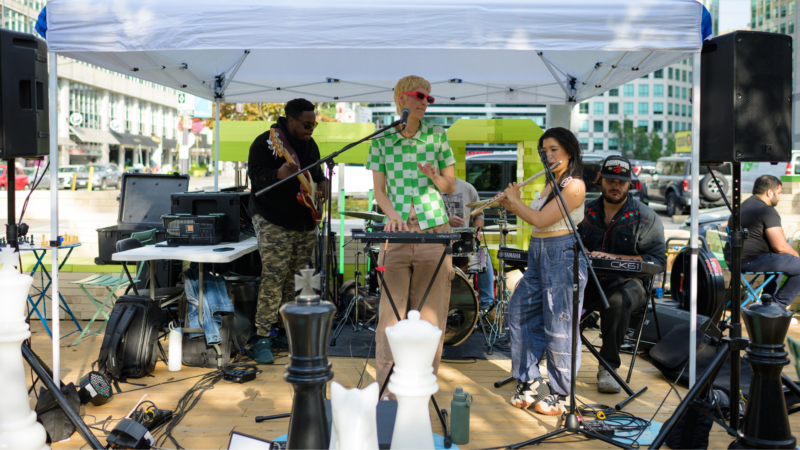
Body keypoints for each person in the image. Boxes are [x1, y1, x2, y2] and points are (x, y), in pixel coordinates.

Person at [366, 75, 457, 397]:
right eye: (420, 95)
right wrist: (392, 216)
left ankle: (422, 392)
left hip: (435, 230)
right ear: (401, 98)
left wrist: (436, 177)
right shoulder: (382, 139)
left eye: (429, 98)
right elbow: (379, 190)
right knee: (391, 319)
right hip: (398, 233)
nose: (425, 102)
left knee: (431, 320)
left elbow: (450, 186)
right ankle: (387, 394)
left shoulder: (437, 135)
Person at [498, 127, 586, 416]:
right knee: (519, 311)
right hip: (538, 253)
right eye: (544, 151)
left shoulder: (574, 186)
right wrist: (511, 204)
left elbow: (538, 218)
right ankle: (529, 379)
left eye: (554, 150)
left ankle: (561, 393)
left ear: (569, 151)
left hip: (562, 255)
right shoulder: (549, 184)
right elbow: (535, 222)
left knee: (559, 325)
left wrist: (516, 201)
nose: (547, 156)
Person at [247, 98, 328, 364]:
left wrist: (323, 183)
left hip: (304, 220)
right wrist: (278, 173)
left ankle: (283, 330)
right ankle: (261, 336)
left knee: (299, 278)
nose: (311, 129)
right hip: (272, 217)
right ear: (290, 120)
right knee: (274, 275)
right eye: (306, 124)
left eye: (314, 124)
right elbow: (256, 175)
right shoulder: (266, 143)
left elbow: (317, 173)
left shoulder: (310, 145)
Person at [578, 155, 666, 394]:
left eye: (621, 181)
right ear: (600, 180)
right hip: (589, 283)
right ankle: (555, 358)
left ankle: (608, 367)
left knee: (617, 300)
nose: (615, 185)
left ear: (630, 184)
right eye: (610, 180)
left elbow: (658, 261)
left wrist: (614, 259)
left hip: (631, 285)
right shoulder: (582, 212)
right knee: (559, 290)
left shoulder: (646, 217)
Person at [741, 175, 799, 308]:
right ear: (769, 192)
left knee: (779, 260)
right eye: (778, 193)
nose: (779, 197)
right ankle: (777, 309)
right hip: (751, 261)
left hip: (738, 260)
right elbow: (780, 246)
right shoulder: (766, 210)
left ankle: (768, 302)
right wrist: (796, 257)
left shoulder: (743, 206)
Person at [442, 178, 495, 312]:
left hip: (463, 245)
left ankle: (487, 307)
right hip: (438, 245)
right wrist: (447, 221)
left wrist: (477, 231)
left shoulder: (468, 188)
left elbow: (479, 216)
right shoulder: (430, 188)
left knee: (483, 257)